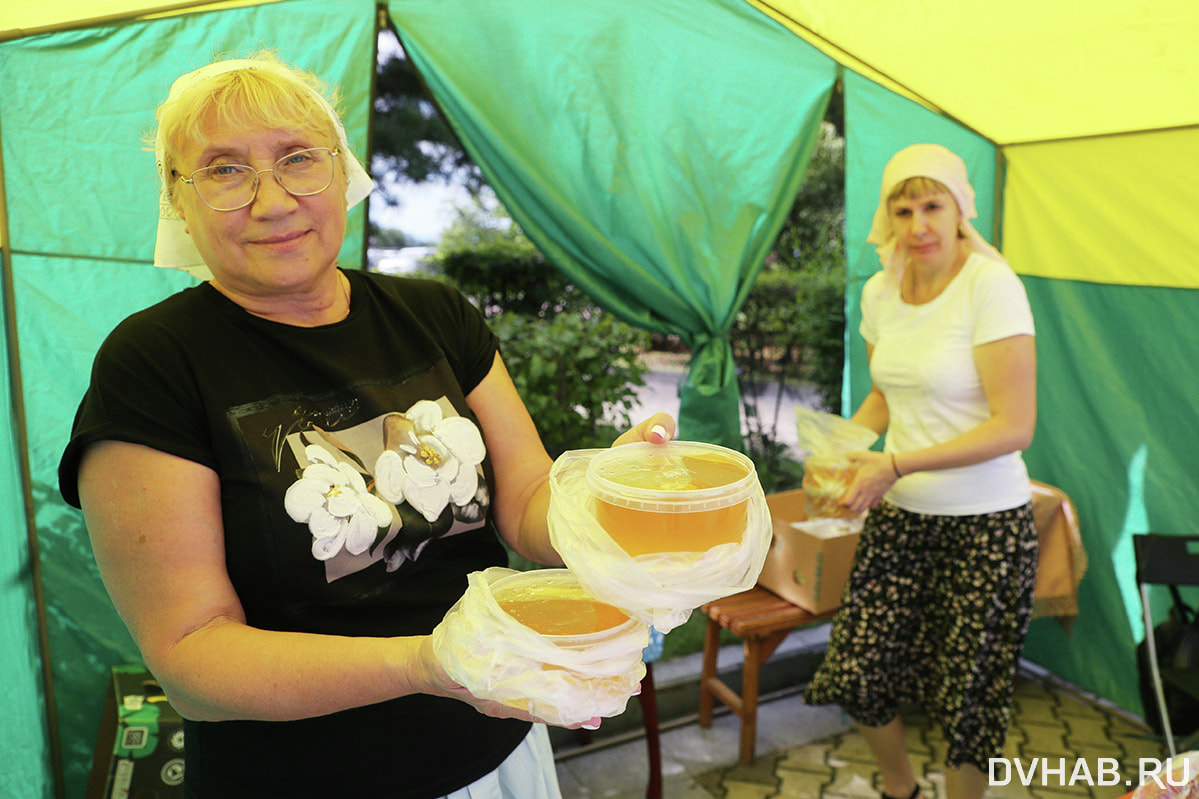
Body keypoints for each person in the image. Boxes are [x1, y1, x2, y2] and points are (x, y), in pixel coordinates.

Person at [57, 52, 675, 799]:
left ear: (342, 172)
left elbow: (526, 498)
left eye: (297, 159)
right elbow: (193, 660)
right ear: (176, 201)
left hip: (497, 744)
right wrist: (428, 663)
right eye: (224, 170)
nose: (272, 200)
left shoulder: (435, 313)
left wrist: (603, 502)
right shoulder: (155, 361)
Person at [802, 143, 1038, 799]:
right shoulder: (880, 290)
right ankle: (900, 789)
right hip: (901, 518)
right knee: (860, 669)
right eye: (901, 209)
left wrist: (893, 463)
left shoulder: (990, 287)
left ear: (961, 208)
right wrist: (840, 450)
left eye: (932, 205)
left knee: (967, 697)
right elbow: (887, 393)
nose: (917, 226)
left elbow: (1013, 424)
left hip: (986, 525)